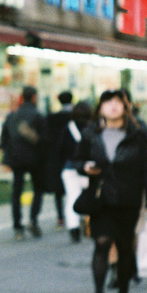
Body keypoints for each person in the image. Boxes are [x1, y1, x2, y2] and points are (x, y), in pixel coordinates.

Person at [75, 90, 147, 293]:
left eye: (117, 102)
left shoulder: (137, 135)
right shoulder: (91, 134)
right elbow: (78, 160)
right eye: (107, 102)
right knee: (101, 243)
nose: (113, 106)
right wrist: (85, 167)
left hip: (128, 200)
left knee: (124, 247)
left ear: (125, 107)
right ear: (100, 108)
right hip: (101, 199)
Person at [0, 86, 47, 239]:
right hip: (35, 159)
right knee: (38, 188)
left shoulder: (12, 116)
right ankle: (33, 219)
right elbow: (44, 140)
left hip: (16, 159)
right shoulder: (38, 116)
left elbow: (4, 138)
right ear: (34, 97)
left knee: (17, 191)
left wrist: (9, 155)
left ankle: (17, 226)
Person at [60, 101, 94, 243]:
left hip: (70, 167)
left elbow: (61, 148)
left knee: (72, 198)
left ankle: (73, 228)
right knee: (92, 196)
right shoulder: (92, 128)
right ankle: (89, 224)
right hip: (89, 167)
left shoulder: (68, 128)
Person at [45, 91, 75, 230]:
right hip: (73, 155)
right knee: (73, 188)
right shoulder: (76, 116)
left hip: (56, 157)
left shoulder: (52, 118)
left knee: (58, 189)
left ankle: (60, 217)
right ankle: (74, 216)